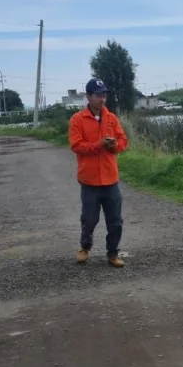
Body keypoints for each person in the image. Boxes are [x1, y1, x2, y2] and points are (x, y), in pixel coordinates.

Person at [68, 78, 129, 268]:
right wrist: (98, 145)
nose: (102, 99)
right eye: (98, 95)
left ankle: (113, 253)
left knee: (115, 221)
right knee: (89, 219)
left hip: (110, 178)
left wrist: (114, 146)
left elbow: (123, 140)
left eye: (104, 95)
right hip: (90, 180)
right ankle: (84, 247)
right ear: (88, 96)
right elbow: (76, 145)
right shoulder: (77, 119)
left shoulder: (111, 118)